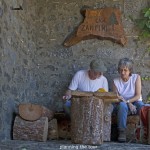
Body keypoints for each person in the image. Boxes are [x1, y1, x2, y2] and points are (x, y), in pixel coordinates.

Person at [112, 58, 145, 142]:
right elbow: (117, 97)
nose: (122, 72)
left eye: (125, 70)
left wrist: (128, 102)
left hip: (135, 102)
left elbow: (138, 96)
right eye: (121, 70)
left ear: (130, 70)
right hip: (121, 103)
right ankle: (122, 131)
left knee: (142, 106)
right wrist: (127, 104)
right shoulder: (115, 81)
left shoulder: (136, 77)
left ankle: (144, 131)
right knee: (123, 106)